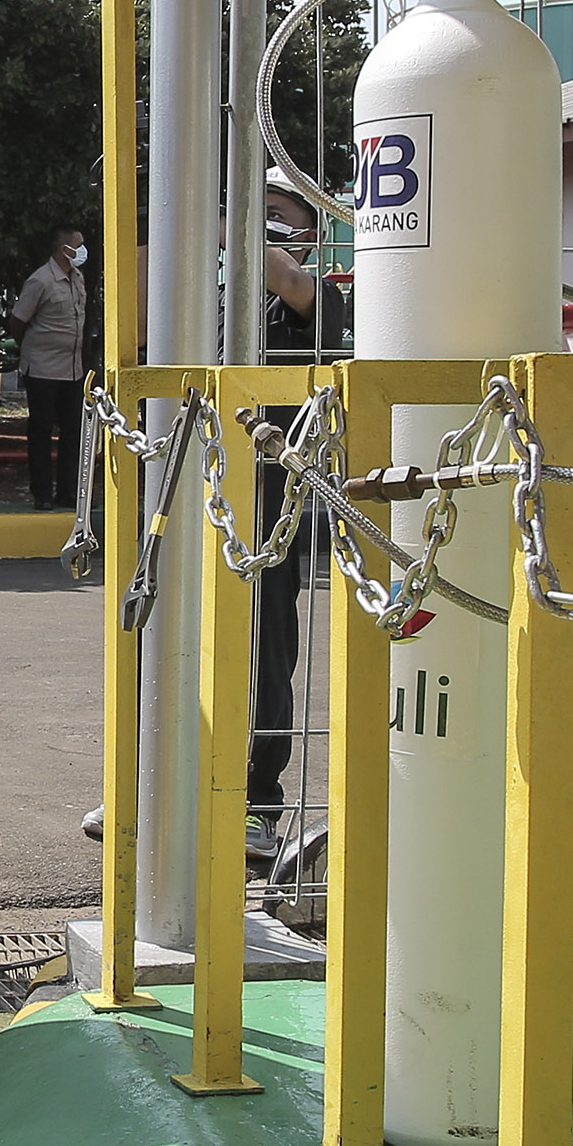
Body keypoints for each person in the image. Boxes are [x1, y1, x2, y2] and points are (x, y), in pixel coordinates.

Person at [246, 171, 351, 860]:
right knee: (164, 638)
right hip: (199, 485)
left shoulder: (317, 300)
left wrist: (248, 241)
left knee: (266, 650)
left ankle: (258, 803)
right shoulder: (215, 298)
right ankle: (153, 788)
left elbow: (292, 284)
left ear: (310, 233)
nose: (257, 227)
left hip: (268, 499)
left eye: (275, 215)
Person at [7, 222, 91, 508]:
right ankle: (42, 493)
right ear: (62, 249)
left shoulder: (78, 278)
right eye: (77, 245)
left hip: (73, 369)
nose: (82, 250)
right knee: (41, 433)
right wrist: (33, 349)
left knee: (73, 433)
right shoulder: (40, 280)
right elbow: (18, 321)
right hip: (42, 368)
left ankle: (67, 493)